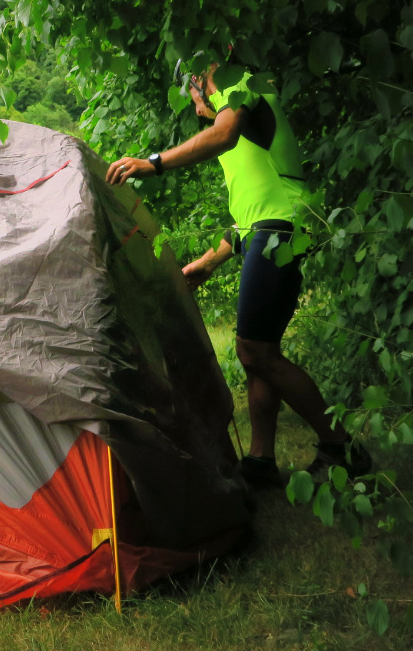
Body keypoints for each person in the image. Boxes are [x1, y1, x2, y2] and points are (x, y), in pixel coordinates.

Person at [105, 62, 371, 488]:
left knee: (253, 350)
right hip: (268, 230)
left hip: (279, 230)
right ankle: (261, 461)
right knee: (257, 353)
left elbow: (223, 135)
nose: (196, 109)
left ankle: (341, 447)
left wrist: (153, 162)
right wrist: (210, 261)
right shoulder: (242, 134)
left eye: (194, 95)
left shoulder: (235, 85)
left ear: (202, 85)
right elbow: (250, 214)